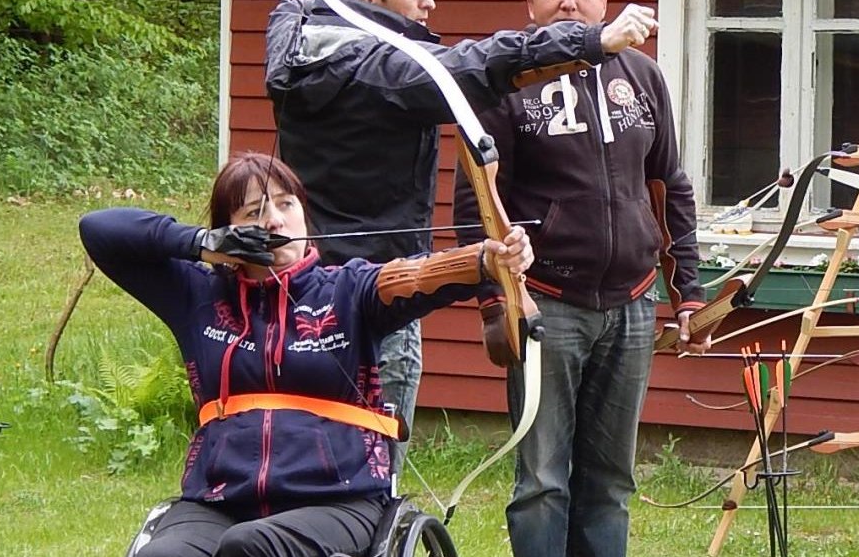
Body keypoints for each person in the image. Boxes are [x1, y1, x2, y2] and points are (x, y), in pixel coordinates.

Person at [264, 0, 656, 444]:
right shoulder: (375, 70)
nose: (430, 3)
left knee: (308, 449)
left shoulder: (308, 40)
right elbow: (467, 67)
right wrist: (590, 40)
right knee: (373, 464)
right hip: (376, 290)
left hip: (307, 288)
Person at [84, 151, 534, 557]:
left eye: (285, 204)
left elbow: (419, 276)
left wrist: (488, 259)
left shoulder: (350, 289)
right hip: (218, 500)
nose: (275, 221)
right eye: (253, 212)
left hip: (339, 500)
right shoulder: (198, 295)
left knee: (250, 546)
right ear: (229, 231)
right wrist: (199, 243)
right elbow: (98, 230)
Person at [449, 0, 705, 557]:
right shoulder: (503, 82)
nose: (568, 3)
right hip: (547, 304)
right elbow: (475, 201)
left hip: (633, 305)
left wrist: (688, 292)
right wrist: (495, 302)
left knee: (611, 480)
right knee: (541, 481)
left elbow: (669, 182)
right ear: (530, 5)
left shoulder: (642, 75)